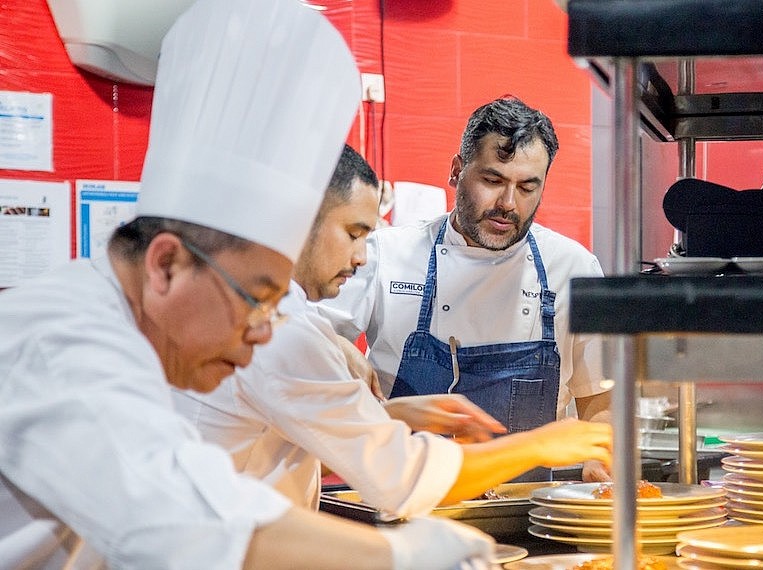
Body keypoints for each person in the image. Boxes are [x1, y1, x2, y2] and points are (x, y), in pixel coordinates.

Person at [0, 1, 493, 569]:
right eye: (258, 300)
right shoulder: (64, 342)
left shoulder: (128, 330)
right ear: (167, 265)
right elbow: (181, 523)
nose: (263, 334)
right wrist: (399, 555)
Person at [172, 144, 613, 513]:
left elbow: (302, 426)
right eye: (353, 233)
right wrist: (538, 445)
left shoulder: (276, 315)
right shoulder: (282, 332)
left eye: (528, 187)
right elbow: (402, 478)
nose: (362, 257)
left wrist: (392, 414)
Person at [322, 96, 613, 482]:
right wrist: (335, 344)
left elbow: (599, 397)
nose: (508, 203)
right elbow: (302, 332)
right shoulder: (386, 254)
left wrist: (600, 459)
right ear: (457, 171)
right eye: (493, 181)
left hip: (528, 504)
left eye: (527, 187)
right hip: (407, 491)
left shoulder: (573, 268)